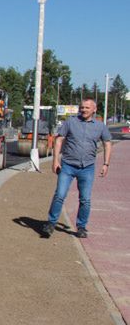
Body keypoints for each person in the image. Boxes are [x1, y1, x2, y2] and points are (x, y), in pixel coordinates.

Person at [42, 98, 112, 238]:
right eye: (82, 107)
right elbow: (59, 139)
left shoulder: (100, 126)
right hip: (67, 166)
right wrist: (55, 160)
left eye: (87, 107)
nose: (83, 110)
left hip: (87, 167)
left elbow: (107, 143)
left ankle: (81, 227)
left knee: (85, 199)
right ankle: (51, 223)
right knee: (60, 195)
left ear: (94, 109)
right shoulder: (71, 122)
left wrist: (106, 164)